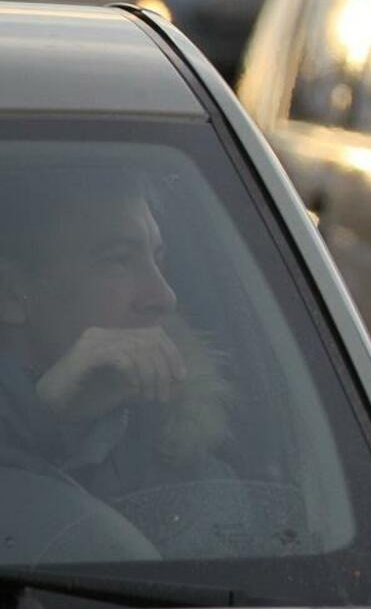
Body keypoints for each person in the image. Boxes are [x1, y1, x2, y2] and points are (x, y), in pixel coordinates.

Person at [0, 166, 232, 503]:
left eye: (158, 258)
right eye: (118, 260)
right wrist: (42, 420)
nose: (164, 296)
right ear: (11, 293)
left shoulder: (187, 469)